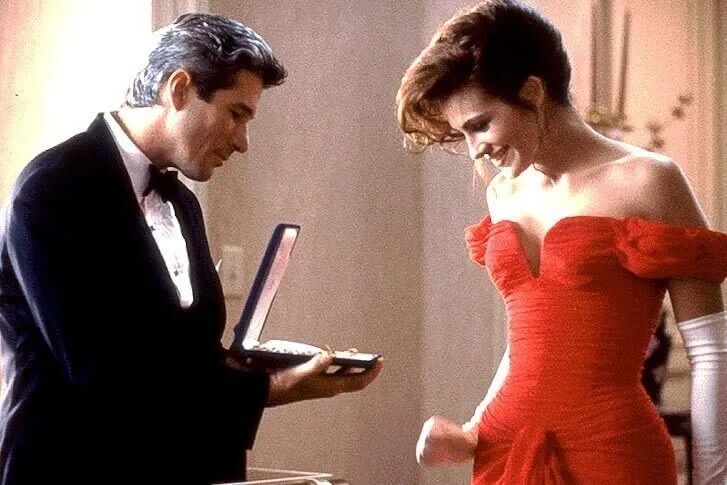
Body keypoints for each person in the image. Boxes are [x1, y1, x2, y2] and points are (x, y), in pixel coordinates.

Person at [0, 13, 381, 485]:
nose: (242, 142)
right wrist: (276, 387)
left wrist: (258, 364)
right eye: (236, 114)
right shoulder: (53, 189)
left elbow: (183, 357)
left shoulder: (182, 203)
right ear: (179, 89)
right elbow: (107, 378)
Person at [396, 0, 726, 483]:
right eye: (462, 133)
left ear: (532, 92)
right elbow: (530, 343)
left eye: (480, 124)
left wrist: (714, 480)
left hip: (612, 453)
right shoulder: (502, 191)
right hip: (505, 451)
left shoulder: (648, 180)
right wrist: (470, 430)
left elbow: (711, 351)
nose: (475, 150)